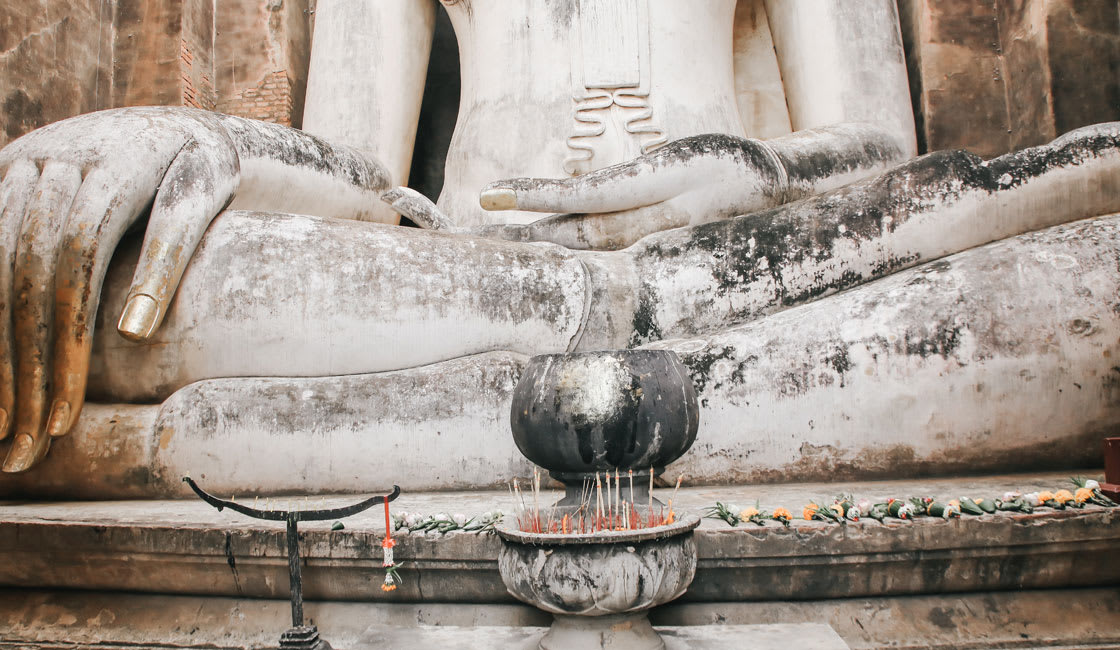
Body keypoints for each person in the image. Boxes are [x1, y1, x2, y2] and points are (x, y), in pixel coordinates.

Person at [0, 0, 1115, 482]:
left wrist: (760, 171)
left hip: (761, 261)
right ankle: (650, 383)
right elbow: (355, 174)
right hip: (468, 277)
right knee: (93, 282)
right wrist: (195, 139)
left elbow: (881, 145)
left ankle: (386, 432)